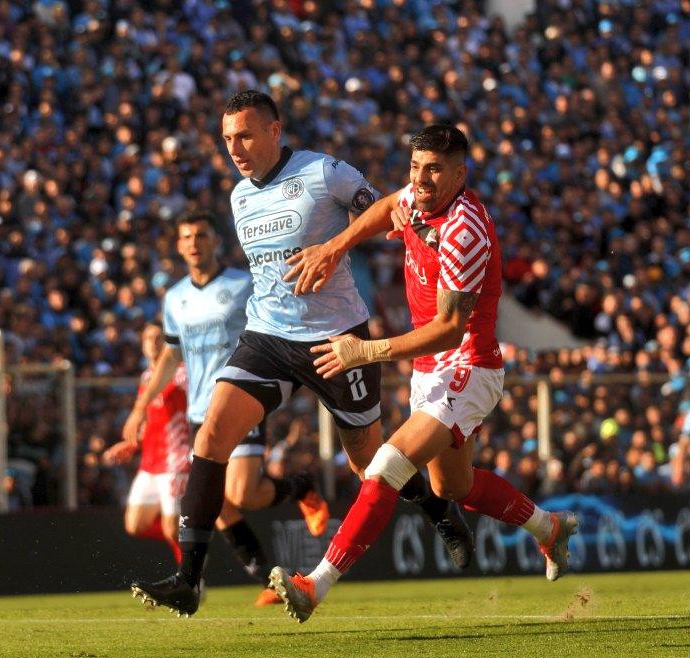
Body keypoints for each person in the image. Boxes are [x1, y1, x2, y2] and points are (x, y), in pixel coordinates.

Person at [131, 91, 470, 617]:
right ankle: (188, 579)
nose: (236, 148)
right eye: (227, 140)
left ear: (274, 130)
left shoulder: (324, 172)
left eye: (245, 135)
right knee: (211, 435)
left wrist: (335, 247)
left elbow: (388, 210)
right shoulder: (240, 197)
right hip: (266, 336)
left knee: (370, 465)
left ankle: (438, 510)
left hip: (337, 341)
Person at [269, 124, 579, 622]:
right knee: (452, 489)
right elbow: (384, 208)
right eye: (415, 167)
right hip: (430, 367)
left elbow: (450, 330)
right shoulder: (416, 196)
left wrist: (364, 352)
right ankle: (550, 529)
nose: (421, 179)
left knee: (388, 464)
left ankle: (314, 585)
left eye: (434, 169)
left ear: (460, 173)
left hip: (467, 365)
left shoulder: (465, 232)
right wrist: (337, 246)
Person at [120, 212, 283, 606]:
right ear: (179, 246)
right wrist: (139, 409)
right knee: (219, 503)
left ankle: (302, 487)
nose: (194, 242)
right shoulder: (175, 298)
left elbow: (270, 334)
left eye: (202, 235)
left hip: (240, 399)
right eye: (187, 236)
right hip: (199, 414)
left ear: (215, 242)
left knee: (241, 492)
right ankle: (267, 578)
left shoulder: (242, 285)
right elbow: (170, 357)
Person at [103, 323, 190, 569]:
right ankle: (193, 540)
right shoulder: (146, 377)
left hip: (175, 459)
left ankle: (193, 578)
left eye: (159, 338)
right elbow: (152, 422)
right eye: (148, 338)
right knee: (135, 524)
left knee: (172, 527)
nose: (153, 343)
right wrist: (133, 444)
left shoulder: (183, 373)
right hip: (151, 461)